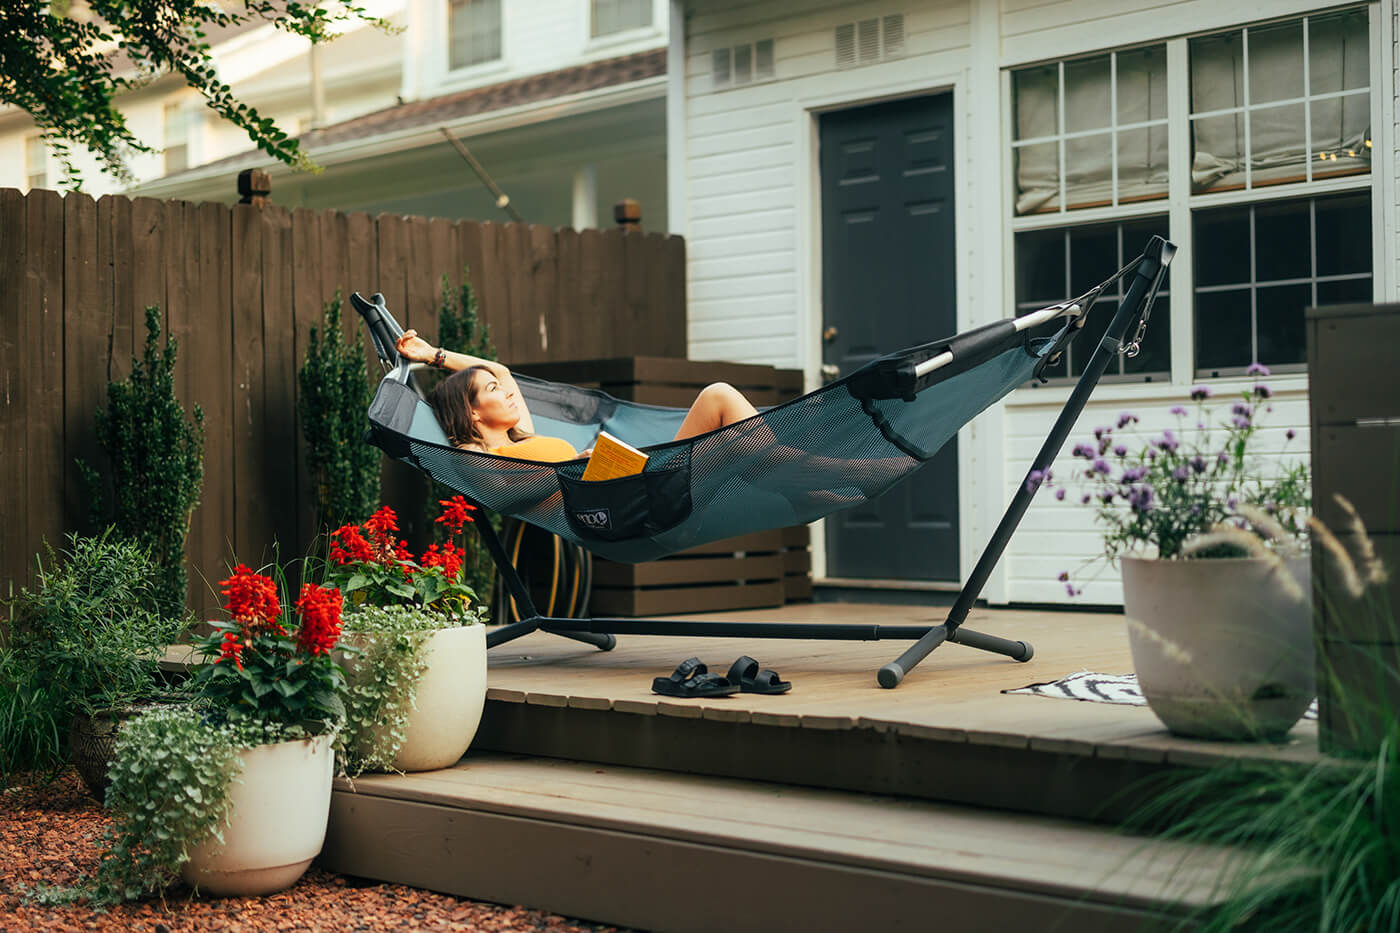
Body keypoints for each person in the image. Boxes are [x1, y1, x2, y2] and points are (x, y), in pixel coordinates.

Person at [393, 330, 761, 459]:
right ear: (472, 414)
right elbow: (498, 480)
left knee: (738, 437)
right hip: (634, 501)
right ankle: (806, 476)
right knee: (719, 397)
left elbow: (501, 371)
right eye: (492, 391)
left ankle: (808, 480)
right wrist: (573, 469)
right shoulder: (484, 456)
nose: (506, 393)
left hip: (645, 478)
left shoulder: (523, 436)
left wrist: (433, 356)